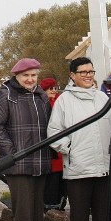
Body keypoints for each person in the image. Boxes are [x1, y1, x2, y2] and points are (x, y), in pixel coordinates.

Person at [47, 57, 111, 221]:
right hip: (78, 170)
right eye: (83, 72)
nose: (88, 75)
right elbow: (54, 132)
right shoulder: (64, 101)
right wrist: (71, 150)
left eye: (91, 71)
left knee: (104, 219)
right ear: (72, 75)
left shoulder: (104, 99)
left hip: (105, 168)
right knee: (79, 219)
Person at [0, 58, 53, 221]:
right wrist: (13, 153)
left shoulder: (41, 96)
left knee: (37, 213)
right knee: (23, 215)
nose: (30, 79)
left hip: (40, 162)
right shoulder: (6, 94)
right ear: (17, 76)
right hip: (18, 164)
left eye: (33, 75)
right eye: (26, 75)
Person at [40, 77, 66, 210]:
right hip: (49, 148)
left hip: (61, 147)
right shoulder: (42, 103)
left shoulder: (60, 102)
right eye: (50, 88)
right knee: (51, 180)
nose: (54, 91)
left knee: (60, 177)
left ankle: (60, 203)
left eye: (55, 88)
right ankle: (50, 205)